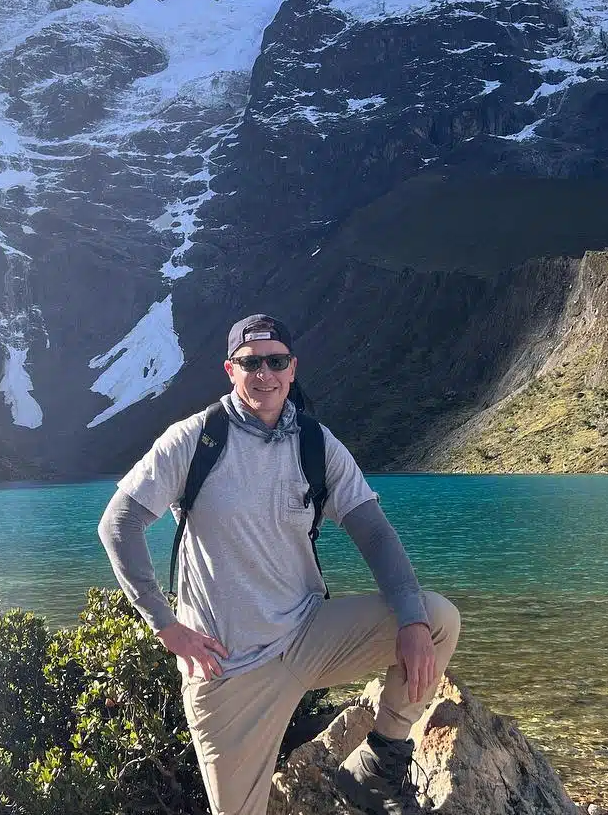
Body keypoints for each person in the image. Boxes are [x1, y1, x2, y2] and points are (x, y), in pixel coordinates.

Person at [97, 313, 461, 815]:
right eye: (251, 363)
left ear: (292, 369)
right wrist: (166, 627)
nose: (264, 373)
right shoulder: (195, 440)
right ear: (230, 369)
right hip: (228, 670)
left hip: (309, 636)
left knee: (436, 620)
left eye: (276, 361)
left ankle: (379, 765)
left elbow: (374, 532)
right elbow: (118, 525)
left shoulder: (315, 443)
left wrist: (411, 619)